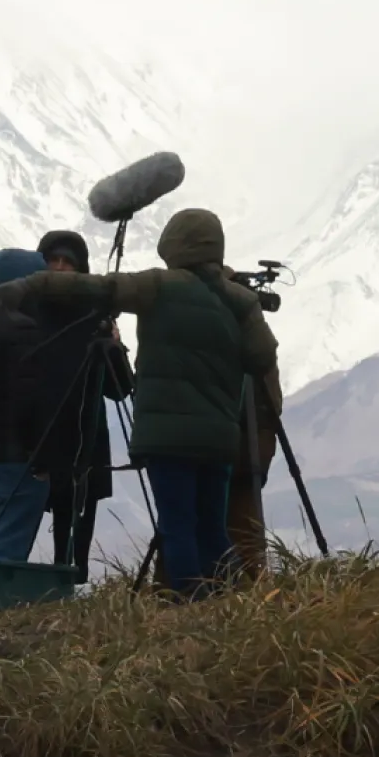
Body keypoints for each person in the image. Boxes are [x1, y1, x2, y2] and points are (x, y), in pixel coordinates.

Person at [104, 204, 279, 594]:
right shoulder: (233, 304)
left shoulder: (163, 292)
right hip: (218, 439)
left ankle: (189, 605)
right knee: (214, 531)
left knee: (178, 527)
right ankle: (241, 599)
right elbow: (262, 360)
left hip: (168, 439)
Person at [0, 231, 126, 567]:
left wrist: (112, 346)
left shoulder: (91, 318)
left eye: (68, 263)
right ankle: (9, 585)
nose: (59, 270)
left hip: (80, 434)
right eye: (52, 262)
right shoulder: (24, 322)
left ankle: (60, 578)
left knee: (67, 515)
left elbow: (118, 389)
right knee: (13, 514)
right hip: (34, 438)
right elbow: (19, 390)